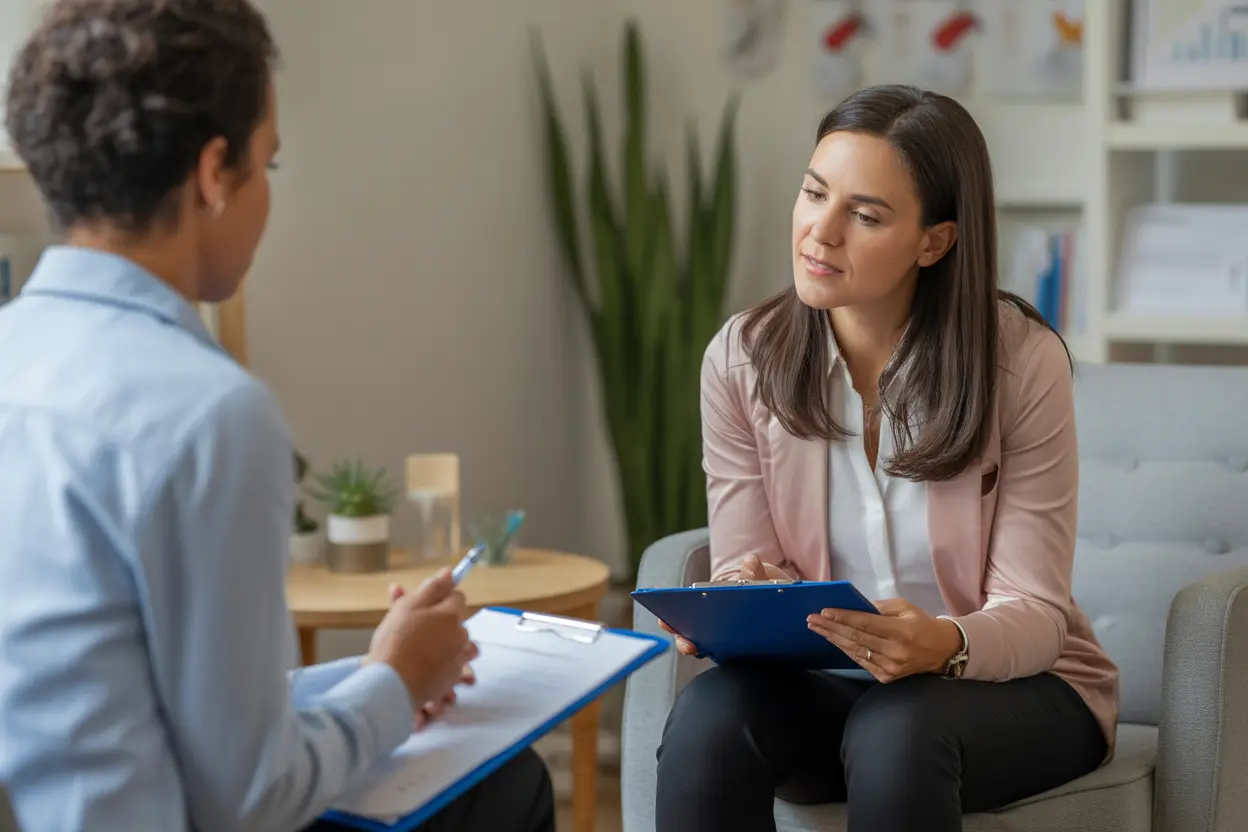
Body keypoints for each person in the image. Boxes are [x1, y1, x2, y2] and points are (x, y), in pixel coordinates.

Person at [0, 2, 554, 831]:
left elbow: (140, 701)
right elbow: (253, 795)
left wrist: (384, 669)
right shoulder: (207, 413)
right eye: (270, 165)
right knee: (508, 784)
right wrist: (397, 688)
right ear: (214, 172)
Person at [654, 84, 1119, 832]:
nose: (820, 232)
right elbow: (747, 561)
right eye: (813, 194)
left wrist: (941, 642)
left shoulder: (1019, 362)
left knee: (899, 726)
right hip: (829, 682)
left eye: (864, 215)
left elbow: (1036, 615)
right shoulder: (742, 359)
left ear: (934, 242)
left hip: (1014, 687)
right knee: (712, 718)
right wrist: (738, 601)